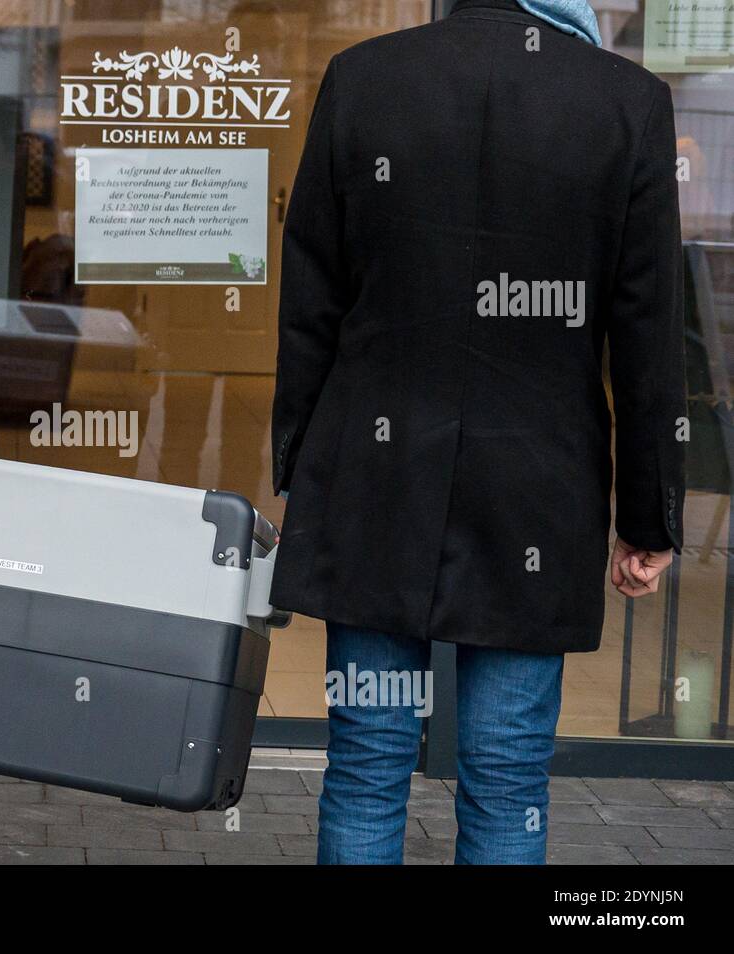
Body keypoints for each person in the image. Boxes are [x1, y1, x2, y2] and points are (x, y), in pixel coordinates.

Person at [270, 0, 684, 864]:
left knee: (367, 762)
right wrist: (648, 519)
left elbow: (312, 294)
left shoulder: (364, 78)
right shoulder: (628, 103)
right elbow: (647, 338)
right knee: (506, 779)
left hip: (377, 477)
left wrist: (302, 460)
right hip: (539, 488)